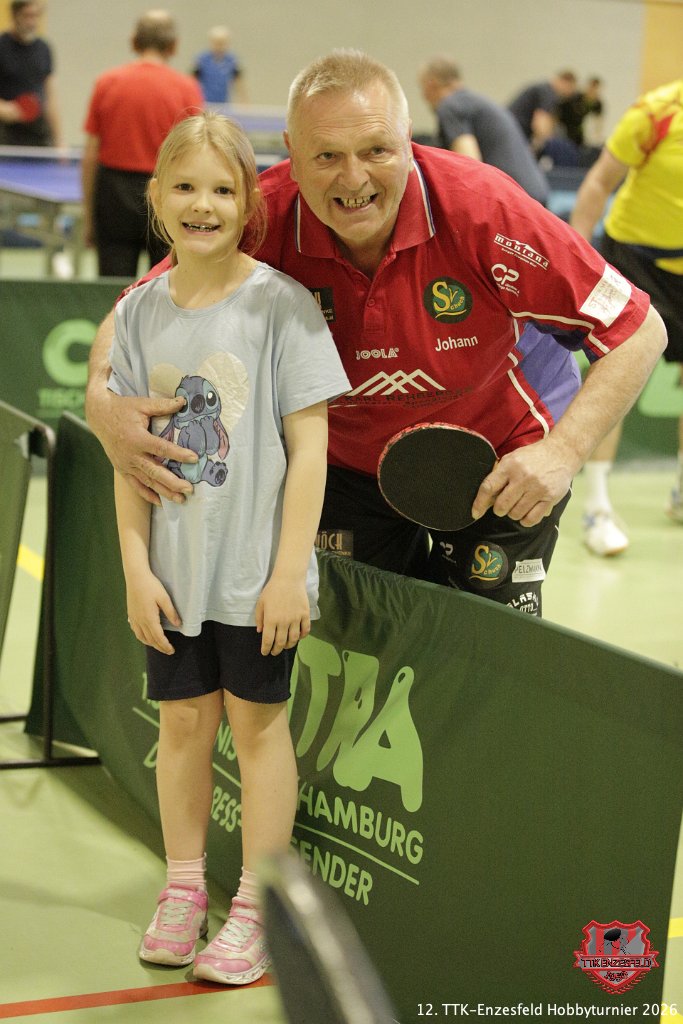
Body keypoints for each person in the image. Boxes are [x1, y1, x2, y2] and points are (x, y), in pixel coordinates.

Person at [86, 49, 667, 619]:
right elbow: (141, 305)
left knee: (483, 652)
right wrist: (101, 402)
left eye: (376, 150)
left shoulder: (484, 210)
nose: (354, 178)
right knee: (359, 646)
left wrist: (563, 452)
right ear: (292, 154)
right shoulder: (263, 218)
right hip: (346, 470)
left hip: (501, 460)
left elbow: (639, 329)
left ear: (408, 140)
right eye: (327, 155)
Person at [111, 110, 349, 982]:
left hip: (254, 577)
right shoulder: (137, 314)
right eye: (185, 187)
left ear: (250, 202)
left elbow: (311, 448)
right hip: (173, 577)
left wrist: (289, 572)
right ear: (156, 197)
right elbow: (127, 458)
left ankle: (256, 906)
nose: (202, 205)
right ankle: (184, 889)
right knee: (181, 725)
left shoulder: (280, 305)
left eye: (221, 189)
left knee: (256, 727)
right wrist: (135, 569)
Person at [570, 79, 683, 555]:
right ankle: (596, 507)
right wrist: (572, 261)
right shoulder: (656, 114)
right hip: (636, 260)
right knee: (618, 373)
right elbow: (599, 182)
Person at [81, 10, 203, 278]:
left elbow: (90, 154)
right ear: (174, 46)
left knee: (112, 286)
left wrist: (88, 215)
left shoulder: (107, 83)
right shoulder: (187, 88)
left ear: (134, 42)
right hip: (167, 195)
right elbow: (197, 156)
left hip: (113, 194)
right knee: (166, 284)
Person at [418, 55, 548, 205]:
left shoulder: (450, 106)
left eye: (422, 88)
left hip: (513, 202)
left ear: (431, 84)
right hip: (534, 196)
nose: (423, 96)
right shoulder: (475, 102)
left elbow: (469, 165)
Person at [0, 0, 63, 147]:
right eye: (27, 16)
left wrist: (59, 141)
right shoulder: (1, 46)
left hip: (38, 134)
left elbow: (51, 98)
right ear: (14, 15)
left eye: (36, 16)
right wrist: (2, 108)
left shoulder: (44, 49)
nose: (32, 22)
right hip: (6, 135)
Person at [508, 70, 578, 154]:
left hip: (513, 131)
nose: (569, 94)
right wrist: (539, 145)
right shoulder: (548, 92)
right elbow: (541, 121)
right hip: (514, 132)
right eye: (571, 88)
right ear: (565, 83)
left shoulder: (543, 89)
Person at [192, 25, 246, 104]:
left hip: (223, 103)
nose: (219, 46)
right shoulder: (202, 59)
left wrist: (244, 102)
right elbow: (193, 81)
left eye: (222, 43)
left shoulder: (232, 60)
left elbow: (239, 83)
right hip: (205, 102)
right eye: (216, 43)